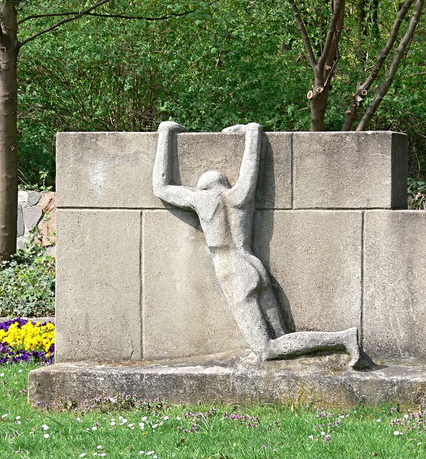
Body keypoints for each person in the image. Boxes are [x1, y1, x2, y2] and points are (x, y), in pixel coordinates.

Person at [153, 121, 371, 369]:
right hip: (252, 263)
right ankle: (343, 340)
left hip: (232, 271)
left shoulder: (202, 200)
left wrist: (165, 133)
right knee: (282, 337)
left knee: (266, 349)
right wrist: (252, 131)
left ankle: (341, 338)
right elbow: (250, 167)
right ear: (224, 183)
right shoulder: (238, 196)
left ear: (203, 187)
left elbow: (161, 187)